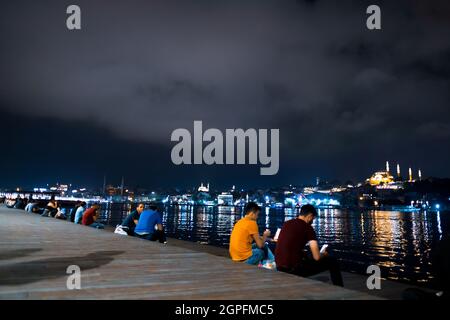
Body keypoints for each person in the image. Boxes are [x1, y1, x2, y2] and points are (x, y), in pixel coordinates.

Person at [275, 204, 343, 286]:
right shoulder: (308, 228)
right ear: (310, 216)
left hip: (279, 267)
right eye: (313, 219)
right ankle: (339, 287)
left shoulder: (287, 224)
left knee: (306, 255)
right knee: (332, 261)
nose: (312, 221)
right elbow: (317, 257)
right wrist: (324, 254)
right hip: (293, 270)